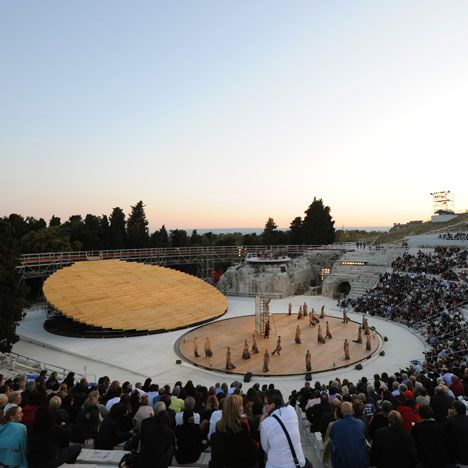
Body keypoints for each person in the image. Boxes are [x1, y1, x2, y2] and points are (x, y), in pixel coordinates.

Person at [260, 389, 305, 468]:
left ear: (272, 405)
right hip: (299, 462)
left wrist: (262, 421)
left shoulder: (265, 423)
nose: (264, 406)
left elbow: (266, 448)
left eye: (265, 403)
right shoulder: (291, 409)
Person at [210, 395, 258, 468]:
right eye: (241, 405)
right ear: (236, 408)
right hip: (245, 463)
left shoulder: (219, 425)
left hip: (228, 463)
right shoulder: (244, 424)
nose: (243, 407)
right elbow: (248, 447)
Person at [329, 401, 369, 468]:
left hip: (342, 463)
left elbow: (332, 438)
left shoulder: (335, 425)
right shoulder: (360, 423)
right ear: (352, 411)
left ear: (341, 411)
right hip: (360, 461)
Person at [445, 400, 468, 465]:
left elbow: (443, 433)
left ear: (455, 410)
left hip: (459, 456)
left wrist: (448, 416)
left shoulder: (450, 421)